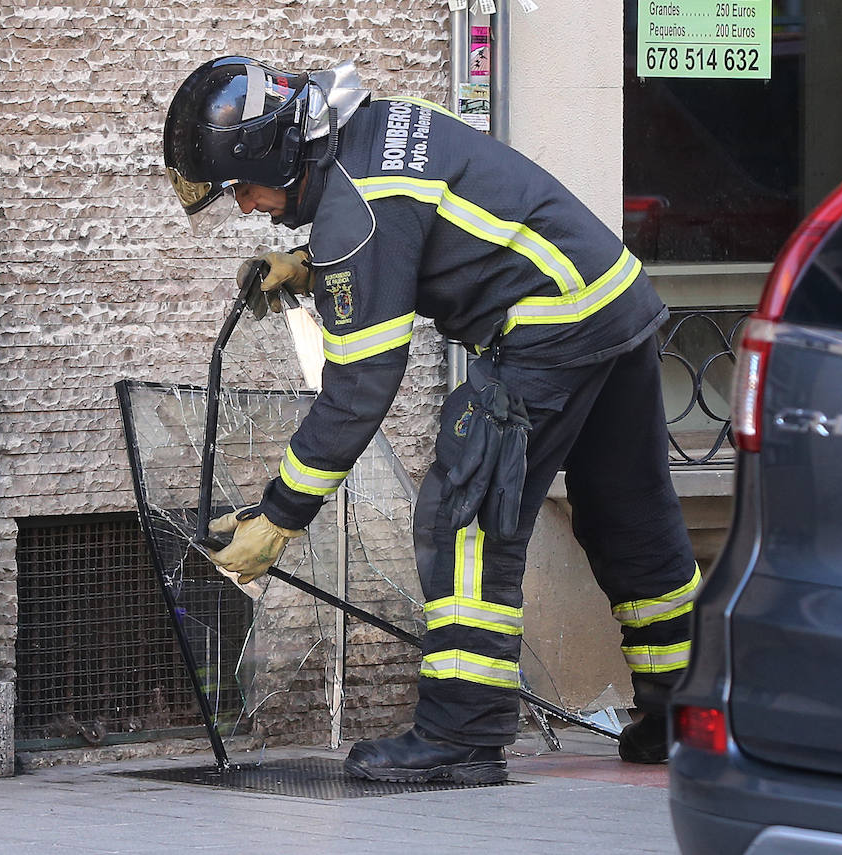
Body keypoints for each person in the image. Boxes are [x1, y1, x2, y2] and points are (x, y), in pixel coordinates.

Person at [162, 56, 700, 782]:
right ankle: (690, 714)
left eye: (242, 186)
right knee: (632, 518)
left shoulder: (355, 211)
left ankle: (462, 735)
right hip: (613, 302)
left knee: (463, 518)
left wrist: (278, 518)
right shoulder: (371, 129)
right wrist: (309, 264)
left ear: (276, 153)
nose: (244, 205)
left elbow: (358, 389)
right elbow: (413, 221)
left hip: (548, 329)